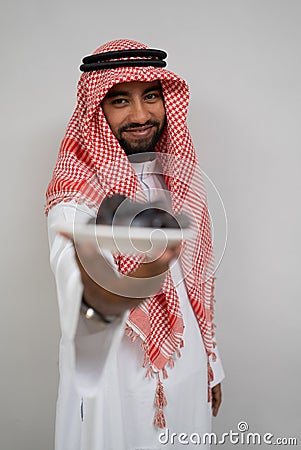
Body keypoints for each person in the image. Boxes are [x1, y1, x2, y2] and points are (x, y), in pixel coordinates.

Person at [46, 39, 225, 450]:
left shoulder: (178, 181)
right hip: (113, 373)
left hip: (188, 362)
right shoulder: (75, 197)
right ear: (96, 112)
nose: (141, 115)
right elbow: (83, 295)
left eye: (151, 96)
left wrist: (213, 364)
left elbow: (198, 284)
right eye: (120, 101)